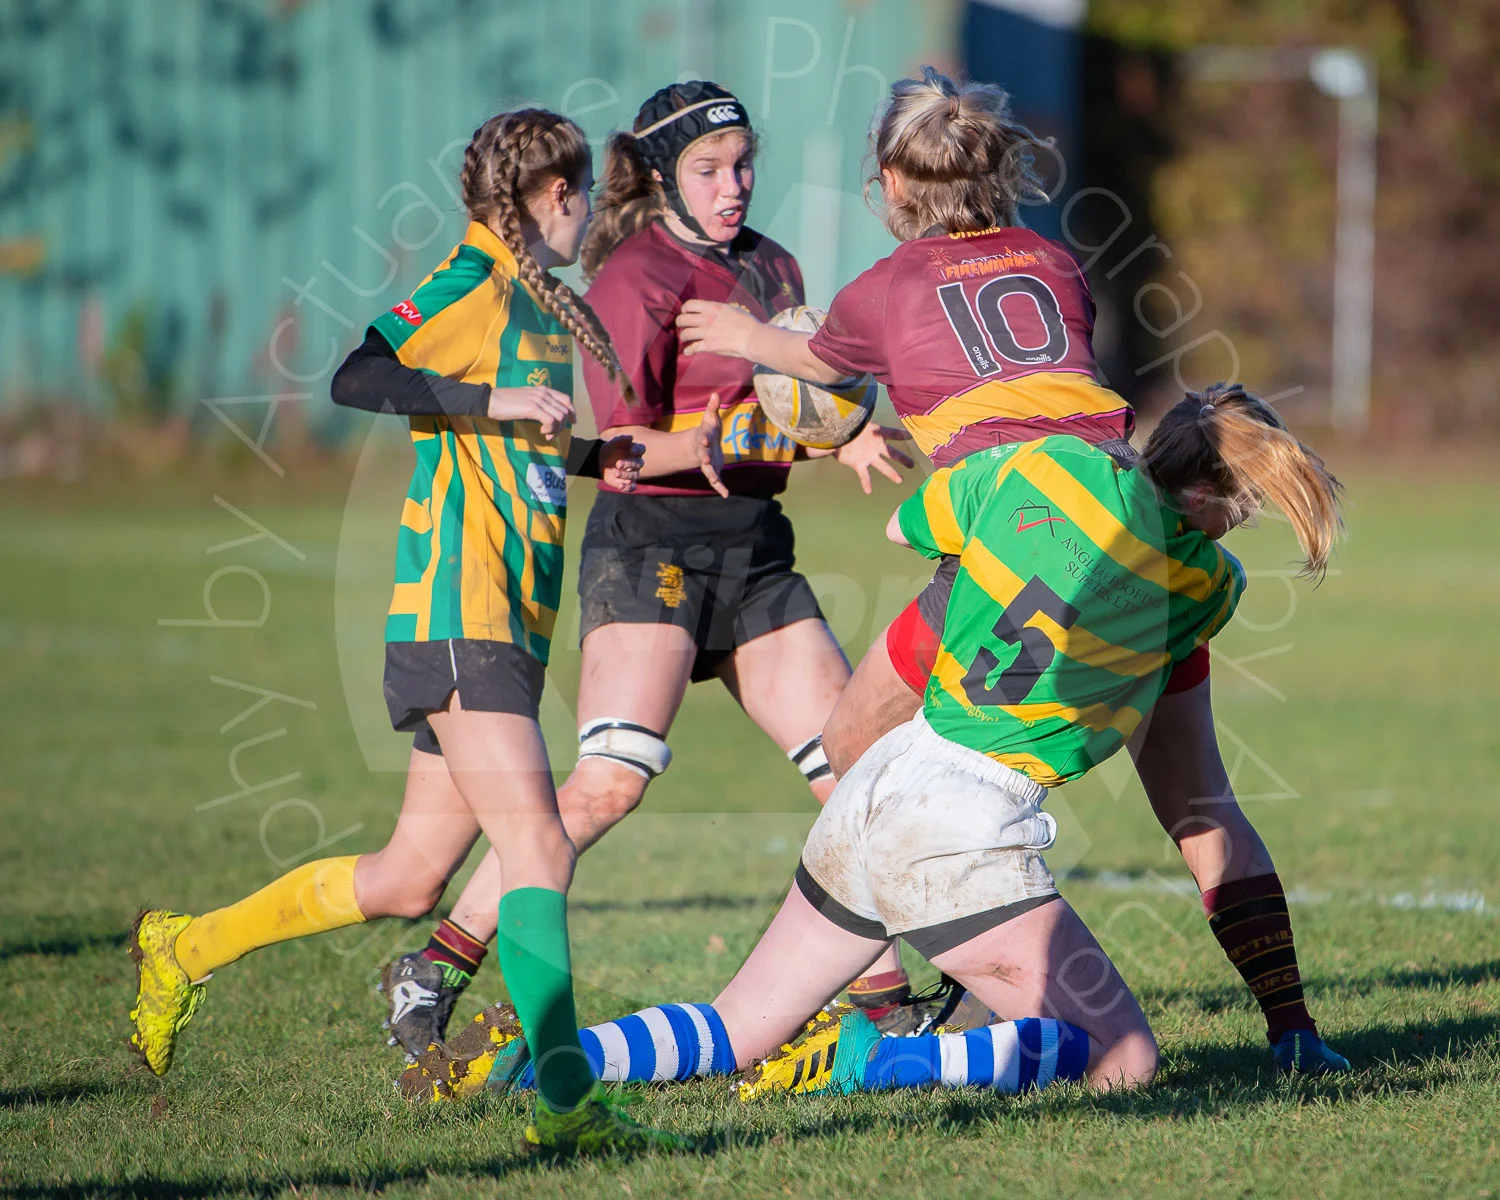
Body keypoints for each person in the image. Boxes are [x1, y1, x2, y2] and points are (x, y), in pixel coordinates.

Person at [401, 383, 1346, 1104]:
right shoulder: (1208, 588)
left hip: (887, 773)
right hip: (968, 819)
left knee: (737, 1028)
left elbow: (909, 526)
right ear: (1224, 503)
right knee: (1125, 1061)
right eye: (1245, 514)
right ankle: (882, 1059)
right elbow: (1190, 782)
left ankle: (531, 1065)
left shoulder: (1043, 466)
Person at [676, 67, 1349, 1073]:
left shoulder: (884, 288)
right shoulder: (1057, 261)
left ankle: (911, 977)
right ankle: (1293, 1032)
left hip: (1007, 547)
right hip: (1133, 535)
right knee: (1201, 803)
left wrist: (745, 335)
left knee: (851, 738)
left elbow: (825, 366)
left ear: (893, 188)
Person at [126, 108, 691, 1156]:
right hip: (457, 611)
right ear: (557, 197)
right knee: (537, 848)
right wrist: (490, 394)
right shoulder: (473, 280)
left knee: (408, 880)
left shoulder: (531, 298)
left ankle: (185, 948)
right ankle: (566, 1104)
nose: (588, 220)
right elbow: (358, 373)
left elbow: (506, 446)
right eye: (584, 201)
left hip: (504, 617)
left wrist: (590, 456)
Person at [379, 80, 917, 1057]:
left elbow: (811, 395)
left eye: (745, 164)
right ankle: (437, 964)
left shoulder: (774, 266)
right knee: (609, 784)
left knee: (855, 773)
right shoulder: (633, 280)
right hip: (652, 548)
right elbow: (622, 449)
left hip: (757, 552)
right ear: (665, 174)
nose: (735, 185)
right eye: (710, 170)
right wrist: (757, 428)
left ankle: (884, 1006)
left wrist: (848, 434)